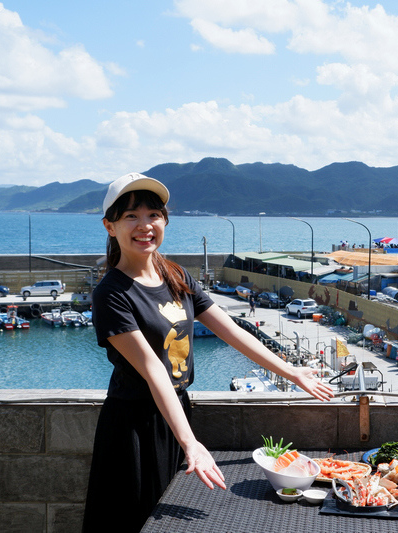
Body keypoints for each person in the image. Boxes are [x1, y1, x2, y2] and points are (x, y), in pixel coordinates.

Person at [82, 173, 334, 532]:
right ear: (110, 226)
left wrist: (289, 371)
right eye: (131, 217)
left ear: (165, 220)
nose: (145, 225)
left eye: (154, 214)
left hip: (176, 412)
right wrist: (191, 444)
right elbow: (153, 369)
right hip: (134, 425)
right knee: (133, 520)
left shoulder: (176, 275)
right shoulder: (112, 293)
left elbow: (230, 330)